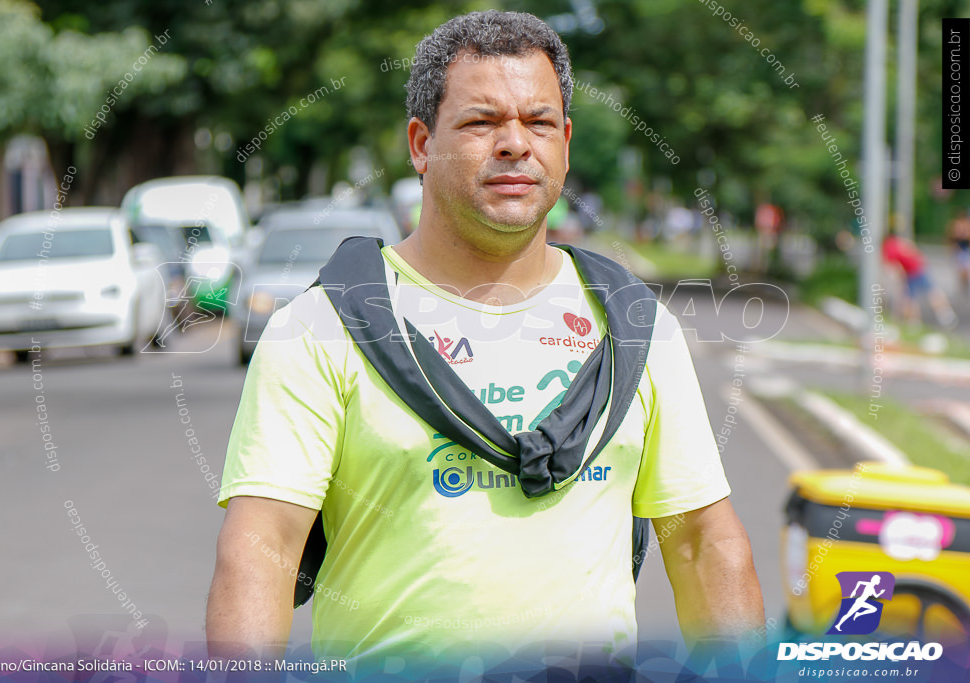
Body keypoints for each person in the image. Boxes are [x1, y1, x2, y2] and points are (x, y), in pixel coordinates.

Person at [205, 10, 763, 677]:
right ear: (421, 143)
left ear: (565, 142)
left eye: (538, 122)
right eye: (480, 122)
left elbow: (705, 544)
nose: (514, 144)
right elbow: (261, 547)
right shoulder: (321, 329)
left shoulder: (635, 327)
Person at [882, 230, 957, 328]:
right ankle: (945, 314)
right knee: (929, 292)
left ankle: (914, 321)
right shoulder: (901, 241)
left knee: (911, 298)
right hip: (919, 266)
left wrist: (898, 280)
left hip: (913, 271)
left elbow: (893, 267)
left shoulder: (889, 246)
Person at [948, 210, 970, 296]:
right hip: (959, 249)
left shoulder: (967, 225)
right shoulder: (956, 225)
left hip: (965, 249)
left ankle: (965, 285)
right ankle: (963, 286)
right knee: (961, 269)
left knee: (965, 269)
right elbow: (953, 237)